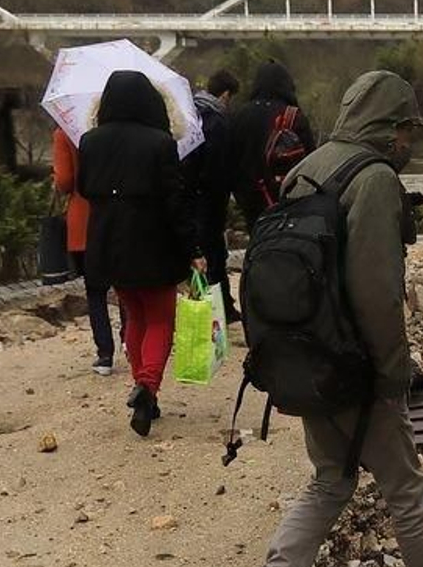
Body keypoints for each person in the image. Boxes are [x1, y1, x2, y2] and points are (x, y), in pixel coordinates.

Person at [237, 70, 423, 567]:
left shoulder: (307, 168)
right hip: (354, 363)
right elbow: (376, 291)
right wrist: (393, 373)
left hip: (301, 355)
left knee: (331, 479)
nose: (409, 142)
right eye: (407, 131)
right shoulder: (372, 178)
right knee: (405, 485)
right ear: (389, 126)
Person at [77, 70, 204, 436]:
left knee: (134, 316)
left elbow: (84, 188)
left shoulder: (89, 141)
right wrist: (193, 249)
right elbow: (175, 203)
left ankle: (143, 388)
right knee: (160, 319)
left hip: (109, 245)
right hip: (153, 244)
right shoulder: (160, 143)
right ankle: (147, 387)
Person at [51, 126, 117, 374]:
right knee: (126, 286)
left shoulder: (65, 133)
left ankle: (105, 354)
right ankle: (132, 343)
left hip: (84, 223)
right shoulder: (113, 130)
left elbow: (65, 181)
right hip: (117, 217)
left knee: (95, 291)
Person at [226, 60, 317, 229]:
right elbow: (311, 161)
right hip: (287, 199)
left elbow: (229, 159)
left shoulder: (239, 115)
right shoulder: (293, 116)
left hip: (249, 199)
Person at [187, 68, 241, 321]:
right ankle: (220, 310)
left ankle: (206, 306)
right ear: (226, 94)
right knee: (215, 255)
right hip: (211, 199)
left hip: (192, 196)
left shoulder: (191, 113)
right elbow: (218, 166)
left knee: (201, 255)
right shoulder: (217, 121)